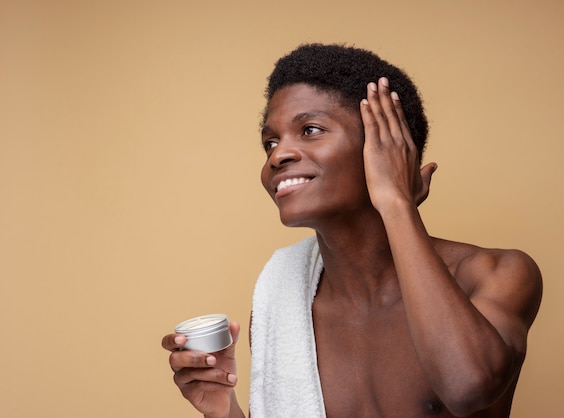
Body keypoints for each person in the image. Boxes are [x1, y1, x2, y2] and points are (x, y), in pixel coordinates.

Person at [162, 43, 543, 418]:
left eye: (309, 129)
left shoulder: (496, 274)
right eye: (270, 142)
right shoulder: (281, 294)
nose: (277, 155)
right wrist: (223, 410)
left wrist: (397, 204)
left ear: (389, 150)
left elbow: (469, 387)